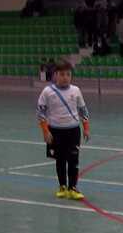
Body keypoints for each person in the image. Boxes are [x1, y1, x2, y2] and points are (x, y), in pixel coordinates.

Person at [37, 60, 90, 201]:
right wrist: (45, 131)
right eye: (62, 74)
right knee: (60, 160)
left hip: (73, 131)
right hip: (55, 132)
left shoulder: (76, 90)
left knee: (73, 160)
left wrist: (86, 128)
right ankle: (62, 186)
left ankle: (73, 188)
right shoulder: (47, 92)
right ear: (55, 75)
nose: (65, 77)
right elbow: (41, 113)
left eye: (68, 74)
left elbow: (83, 110)